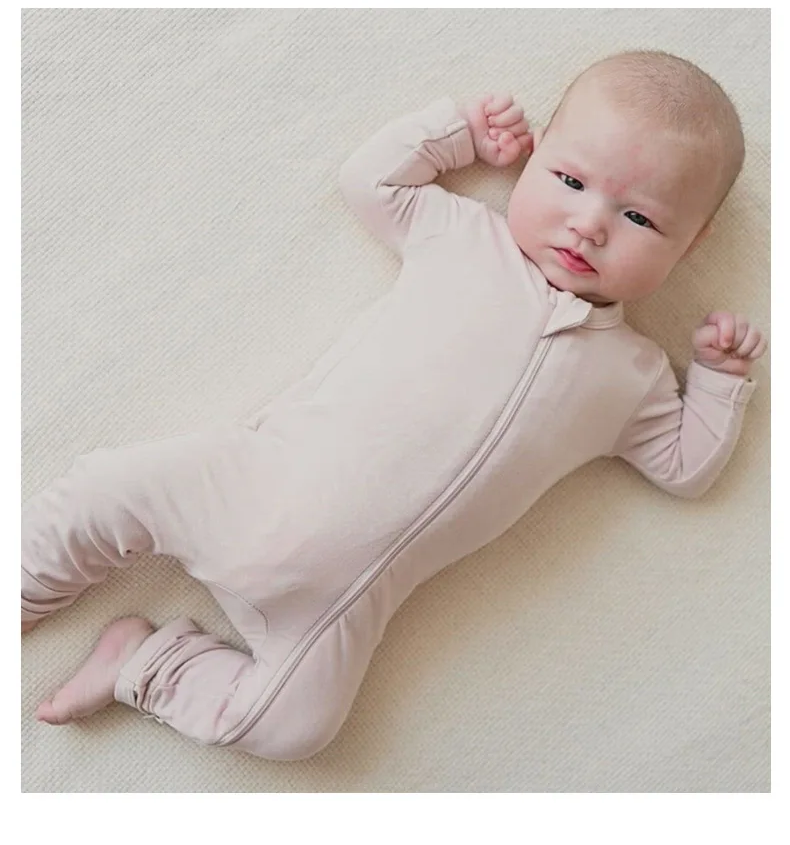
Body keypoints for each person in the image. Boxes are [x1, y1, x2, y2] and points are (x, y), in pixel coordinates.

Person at [23, 50, 767, 761]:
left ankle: (144, 663)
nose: (590, 223)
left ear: (690, 244)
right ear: (534, 155)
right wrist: (460, 134)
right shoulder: (464, 236)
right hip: (249, 484)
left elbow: (684, 467)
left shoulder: (635, 375)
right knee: (107, 490)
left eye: (640, 219)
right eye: (570, 180)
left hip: (340, 606)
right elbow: (369, 181)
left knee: (297, 728)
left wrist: (718, 378)